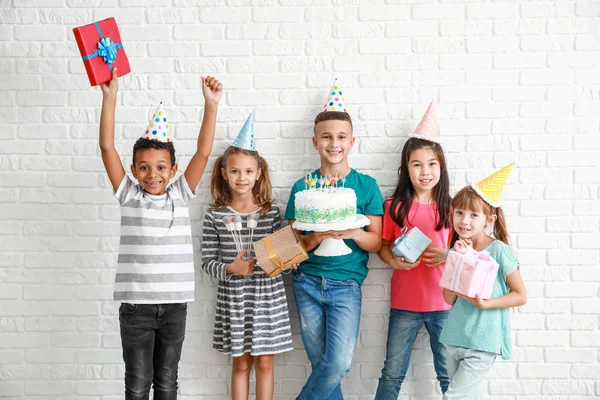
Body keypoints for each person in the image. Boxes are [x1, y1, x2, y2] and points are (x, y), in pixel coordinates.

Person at [99, 67, 222, 399]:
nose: (152, 174)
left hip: (174, 306)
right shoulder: (129, 194)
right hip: (137, 307)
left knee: (167, 380)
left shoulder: (180, 195)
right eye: (144, 167)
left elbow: (203, 153)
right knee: (138, 382)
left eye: (160, 167)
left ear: (173, 169)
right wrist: (111, 97)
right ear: (135, 169)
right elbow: (107, 148)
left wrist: (210, 105)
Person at [285, 79, 383, 399]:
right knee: (321, 364)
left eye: (341, 137)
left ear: (352, 141)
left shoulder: (366, 186)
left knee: (337, 363)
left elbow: (377, 242)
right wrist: (314, 238)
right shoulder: (303, 187)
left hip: (346, 285)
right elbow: (290, 245)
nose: (334, 143)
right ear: (315, 142)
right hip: (307, 280)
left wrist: (353, 232)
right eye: (326, 136)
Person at [201, 115, 293, 400]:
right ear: (224, 173)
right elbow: (206, 263)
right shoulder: (215, 216)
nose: (242, 178)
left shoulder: (272, 214)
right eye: (236, 171)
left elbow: (283, 264)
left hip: (268, 300)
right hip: (235, 300)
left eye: (249, 171)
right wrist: (231, 267)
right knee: (240, 363)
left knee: (265, 362)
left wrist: (289, 258)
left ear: (259, 173)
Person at [375, 103, 452, 399]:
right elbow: (382, 246)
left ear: (441, 167)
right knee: (392, 372)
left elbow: (465, 252)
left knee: (447, 374)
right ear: (406, 168)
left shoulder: (451, 207)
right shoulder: (394, 206)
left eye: (432, 164)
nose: (425, 171)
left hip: (444, 305)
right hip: (404, 304)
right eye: (417, 164)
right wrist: (393, 261)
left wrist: (447, 255)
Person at [440, 164, 527, 399]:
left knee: (453, 396)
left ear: (490, 219)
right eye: (459, 212)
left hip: (482, 340)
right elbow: (448, 298)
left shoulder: (499, 251)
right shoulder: (454, 251)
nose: (464, 221)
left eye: (473, 215)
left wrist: (486, 304)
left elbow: (520, 295)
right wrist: (457, 259)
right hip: (453, 337)